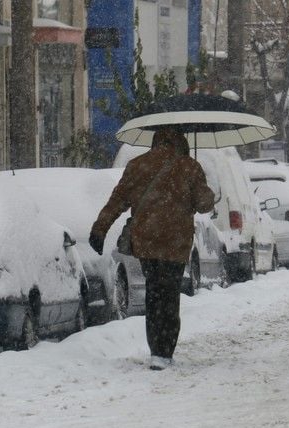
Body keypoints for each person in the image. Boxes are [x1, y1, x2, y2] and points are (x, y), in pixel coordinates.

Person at [89, 126, 215, 370]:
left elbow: (117, 201)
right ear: (181, 140)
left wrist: (99, 229)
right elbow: (203, 204)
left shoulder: (138, 165)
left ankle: (156, 347)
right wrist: (207, 192)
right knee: (170, 294)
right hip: (176, 244)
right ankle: (165, 350)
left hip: (147, 241)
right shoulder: (189, 166)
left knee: (154, 292)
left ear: (156, 139)